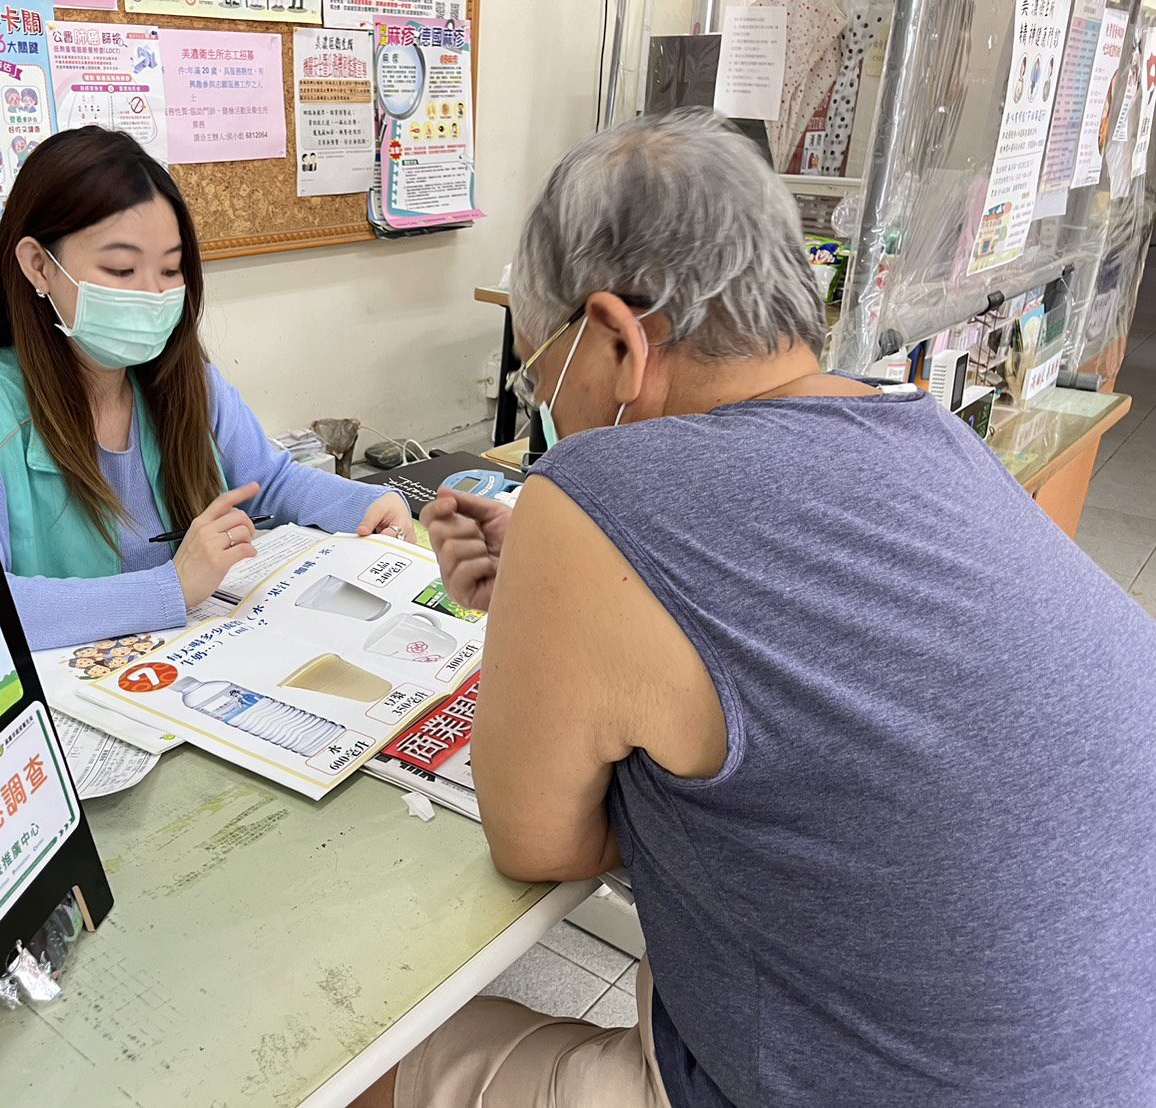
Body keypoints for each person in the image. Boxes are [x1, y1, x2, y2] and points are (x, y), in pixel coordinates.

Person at [358, 109, 1156, 1108]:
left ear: (614, 335)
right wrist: (553, 593)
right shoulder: (933, 436)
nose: (546, 406)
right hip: (1102, 1062)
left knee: (362, 1057)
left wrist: (563, 583)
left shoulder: (595, 486)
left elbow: (539, 843)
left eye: (540, 372)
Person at [0, 127, 409, 649]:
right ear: (39, 266)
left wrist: (366, 505)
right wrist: (169, 587)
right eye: (121, 269)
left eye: (170, 269)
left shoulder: (181, 377)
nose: (153, 295)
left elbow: (270, 483)